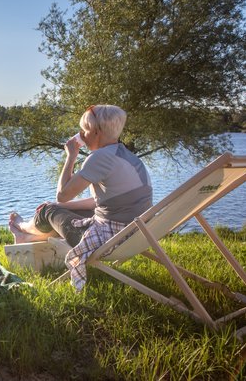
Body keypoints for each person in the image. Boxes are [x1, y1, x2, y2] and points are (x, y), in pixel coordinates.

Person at [8, 105, 152, 290]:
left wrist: (71, 156)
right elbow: (99, 202)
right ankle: (27, 239)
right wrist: (65, 207)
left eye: (85, 130)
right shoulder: (130, 157)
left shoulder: (99, 158)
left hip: (110, 239)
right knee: (63, 208)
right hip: (137, 233)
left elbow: (62, 195)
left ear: (96, 131)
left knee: (48, 210)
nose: (82, 135)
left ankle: (21, 229)